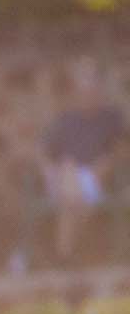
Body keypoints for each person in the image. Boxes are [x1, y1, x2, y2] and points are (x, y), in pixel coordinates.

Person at [39, 59, 125, 266]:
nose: (89, 94)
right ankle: (67, 255)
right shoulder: (66, 119)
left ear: (100, 91)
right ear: (77, 92)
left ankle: (64, 255)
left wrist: (107, 163)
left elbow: (123, 150)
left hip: (94, 179)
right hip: (66, 179)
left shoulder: (111, 118)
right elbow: (45, 154)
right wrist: (49, 172)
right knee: (70, 174)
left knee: (73, 198)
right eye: (84, 89)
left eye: (93, 88)